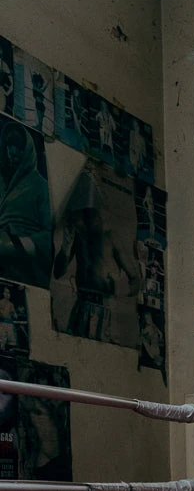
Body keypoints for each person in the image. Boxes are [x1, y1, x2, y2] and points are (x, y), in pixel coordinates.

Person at [52, 170, 141, 342]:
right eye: (83, 214)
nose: (86, 219)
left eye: (91, 214)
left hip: (106, 307)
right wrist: (65, 248)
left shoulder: (111, 238)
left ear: (98, 214)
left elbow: (135, 280)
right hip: (82, 304)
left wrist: (119, 291)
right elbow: (58, 272)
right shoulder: (77, 236)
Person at [0, 123, 51, 287]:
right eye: (9, 145)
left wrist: (20, 245)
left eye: (18, 146)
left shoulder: (40, 185)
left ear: (27, 150)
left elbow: (51, 235)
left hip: (23, 263)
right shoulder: (5, 186)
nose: (12, 152)